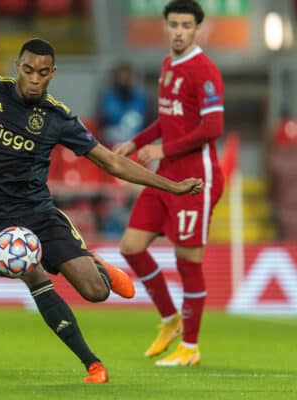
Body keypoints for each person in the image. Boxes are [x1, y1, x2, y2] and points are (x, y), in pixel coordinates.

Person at [0, 37, 203, 383]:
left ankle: (95, 264)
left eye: (42, 73)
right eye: (28, 70)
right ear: (18, 67)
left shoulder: (56, 118)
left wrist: (172, 185)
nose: (34, 78)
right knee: (33, 275)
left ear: (52, 74)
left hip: (38, 212)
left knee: (96, 292)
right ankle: (93, 365)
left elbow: (111, 162)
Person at [113, 0, 224, 366]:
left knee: (187, 261)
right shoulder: (167, 65)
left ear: (198, 30)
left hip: (196, 180)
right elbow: (168, 118)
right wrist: (137, 142)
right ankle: (169, 319)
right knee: (131, 246)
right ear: (165, 26)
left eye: (185, 25)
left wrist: (163, 148)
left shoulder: (204, 71)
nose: (178, 31)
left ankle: (190, 347)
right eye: (173, 24)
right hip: (165, 178)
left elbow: (212, 128)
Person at [97, 62, 148, 148]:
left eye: (126, 77)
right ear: (115, 78)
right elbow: (101, 121)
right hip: (113, 134)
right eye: (120, 77)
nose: (123, 81)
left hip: (135, 135)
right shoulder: (108, 97)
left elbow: (146, 120)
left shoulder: (141, 97)